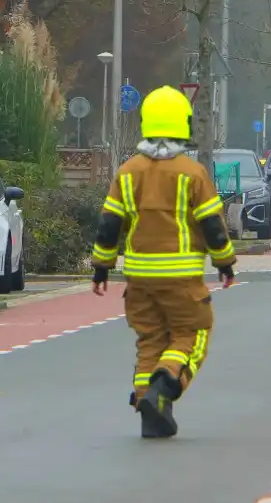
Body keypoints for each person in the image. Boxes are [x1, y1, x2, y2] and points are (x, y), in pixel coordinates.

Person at [90, 85, 237, 439]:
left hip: (138, 279)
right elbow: (211, 224)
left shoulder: (128, 172)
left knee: (150, 339)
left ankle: (149, 408)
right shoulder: (192, 172)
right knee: (193, 332)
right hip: (182, 278)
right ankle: (165, 386)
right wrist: (225, 262)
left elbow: (110, 224)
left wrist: (101, 268)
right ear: (183, 124)